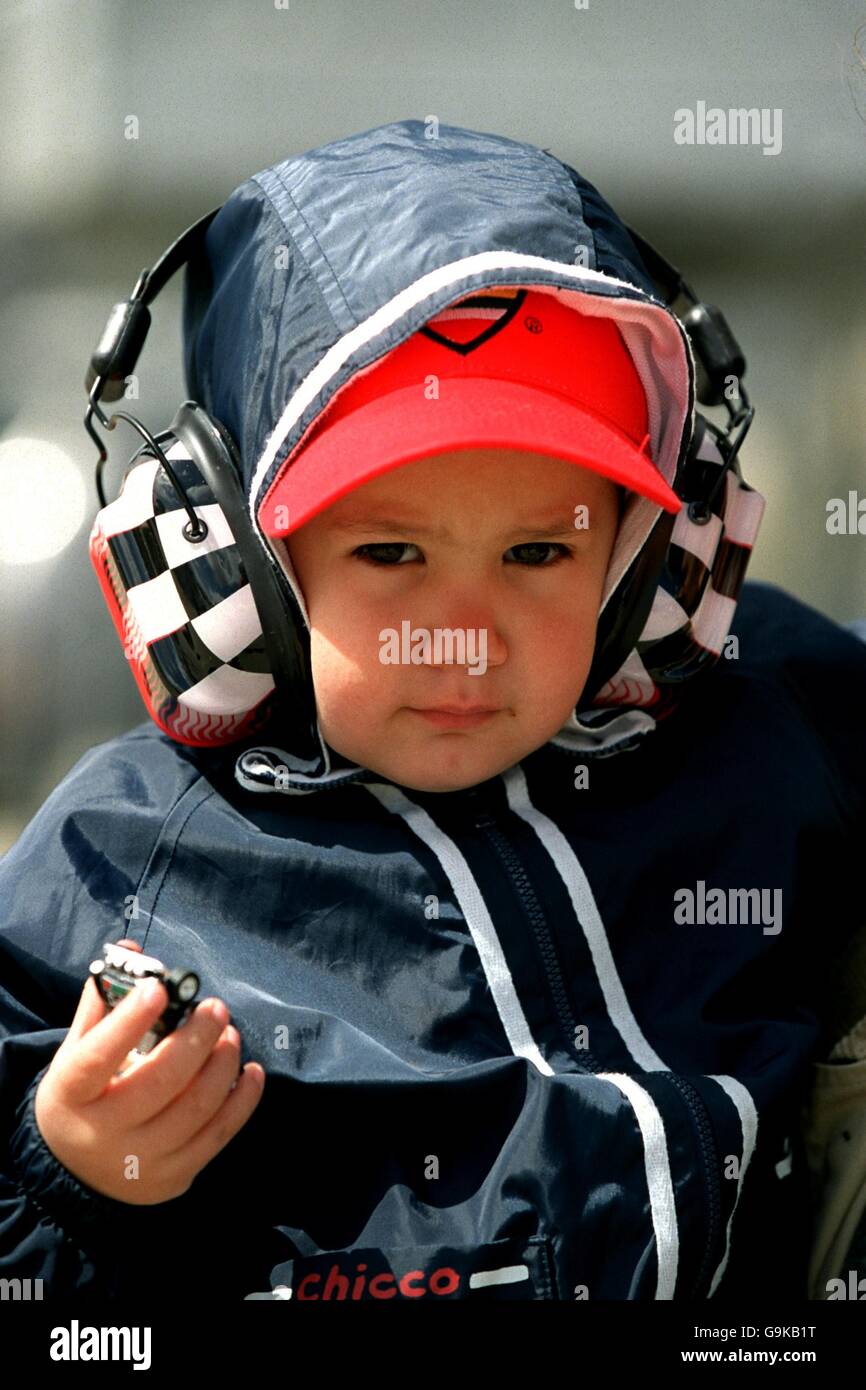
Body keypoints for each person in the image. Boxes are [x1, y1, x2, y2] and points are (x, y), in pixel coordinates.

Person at [1, 118, 865, 1303]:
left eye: (533, 554)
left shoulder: (763, 726)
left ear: (647, 569)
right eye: (393, 551)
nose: (464, 630)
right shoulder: (115, 868)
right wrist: (67, 1172)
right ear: (230, 563)